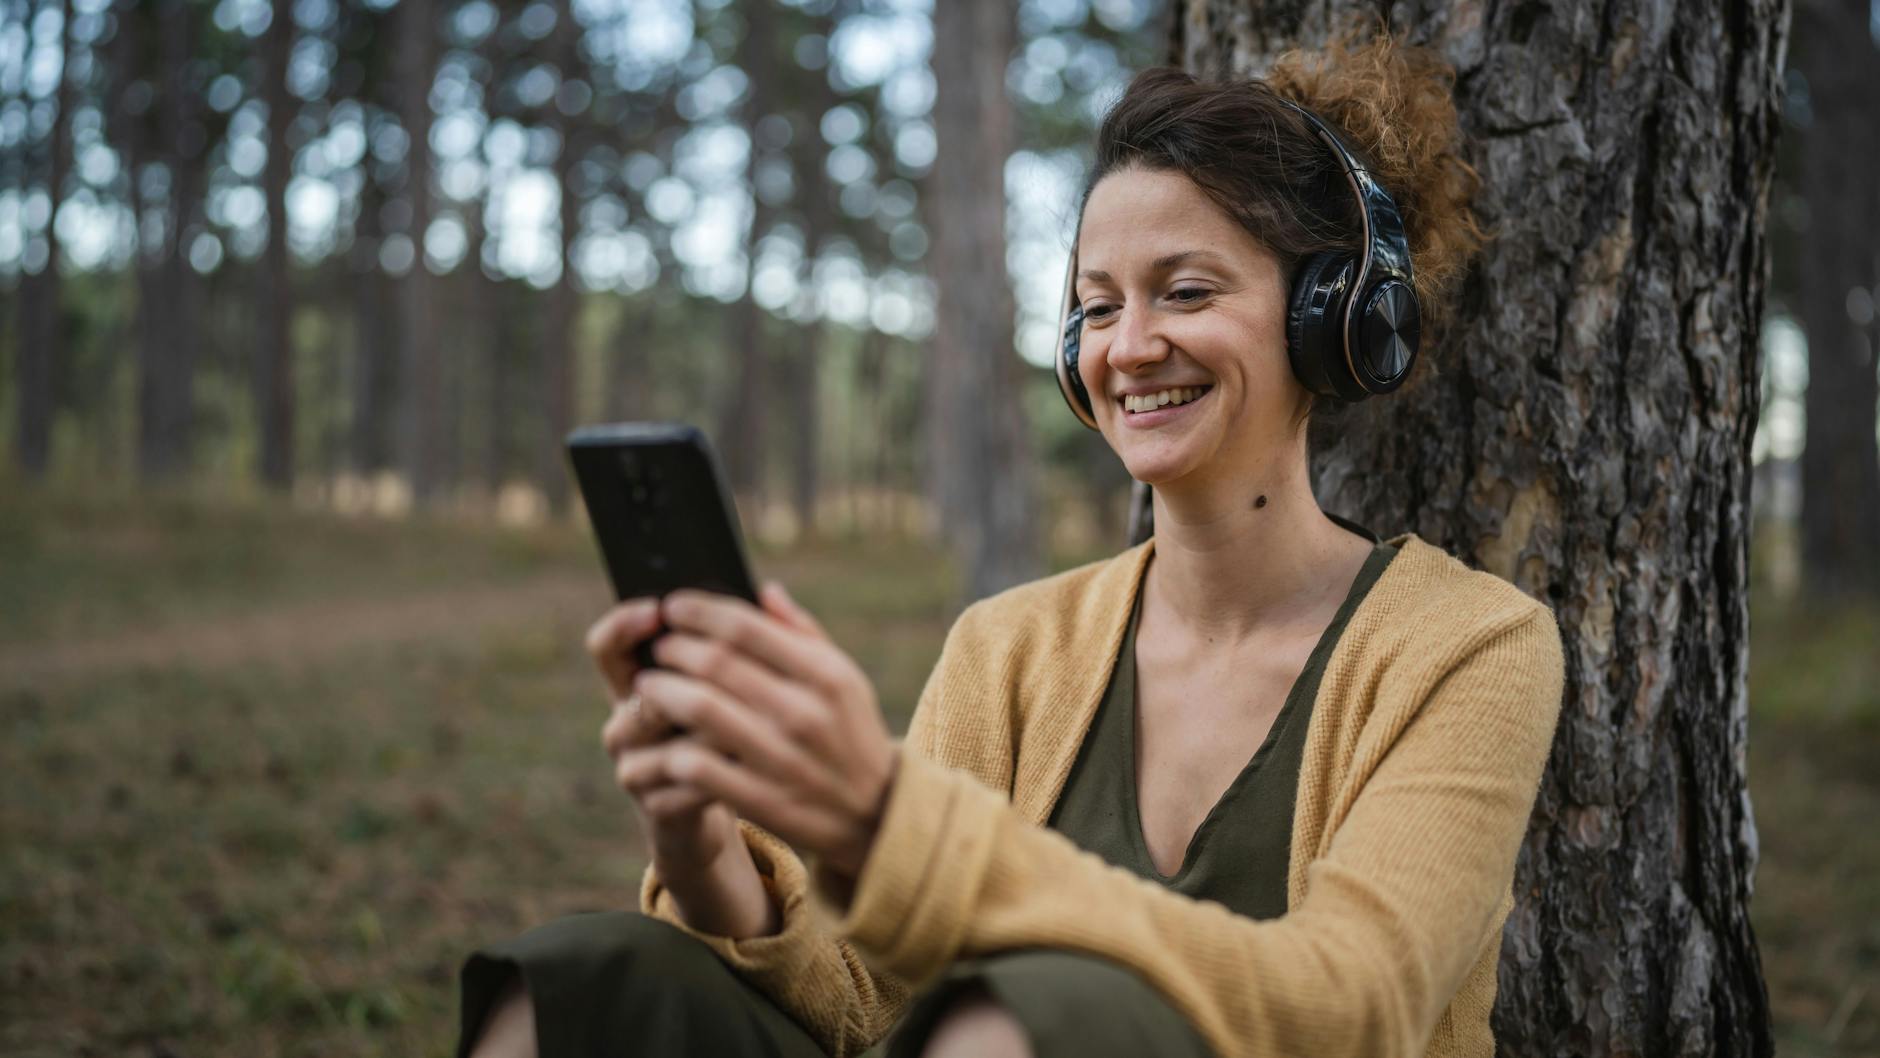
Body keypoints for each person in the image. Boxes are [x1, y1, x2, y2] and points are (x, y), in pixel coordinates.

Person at [457, 26, 1565, 1058]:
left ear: (1329, 316)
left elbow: (1354, 1001)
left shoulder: (1469, 646)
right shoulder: (1011, 645)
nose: (1127, 346)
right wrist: (695, 837)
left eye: (1183, 290)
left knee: (1020, 1021)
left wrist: (886, 822)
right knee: (573, 981)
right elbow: (861, 1000)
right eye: (1094, 304)